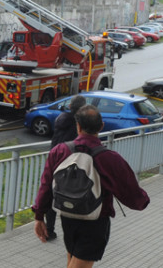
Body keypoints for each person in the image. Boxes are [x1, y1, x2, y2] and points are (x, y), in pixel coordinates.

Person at [32, 105, 149, 267]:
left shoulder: (59, 151)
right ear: (101, 126)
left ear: (78, 126)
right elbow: (130, 191)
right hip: (95, 222)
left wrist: (39, 216)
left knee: (72, 260)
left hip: (67, 217)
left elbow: (45, 186)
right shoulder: (109, 158)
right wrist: (143, 201)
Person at [44, 94, 88, 240]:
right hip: (71, 163)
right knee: (70, 196)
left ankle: (49, 230)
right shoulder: (79, 124)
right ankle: (73, 231)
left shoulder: (60, 119)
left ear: (70, 106)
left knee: (51, 194)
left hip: (54, 159)